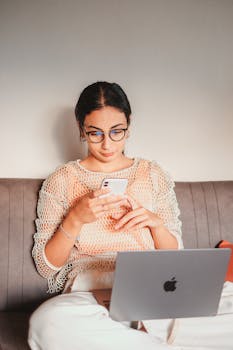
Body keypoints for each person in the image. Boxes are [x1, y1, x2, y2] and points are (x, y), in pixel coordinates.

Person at [27, 81, 184, 350]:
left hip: (150, 287)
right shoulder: (61, 180)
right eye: (95, 133)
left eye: (117, 132)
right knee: (47, 322)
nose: (107, 144)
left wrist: (155, 224)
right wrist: (75, 218)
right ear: (81, 130)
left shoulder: (153, 174)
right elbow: (46, 266)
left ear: (129, 125)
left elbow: (177, 254)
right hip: (90, 293)